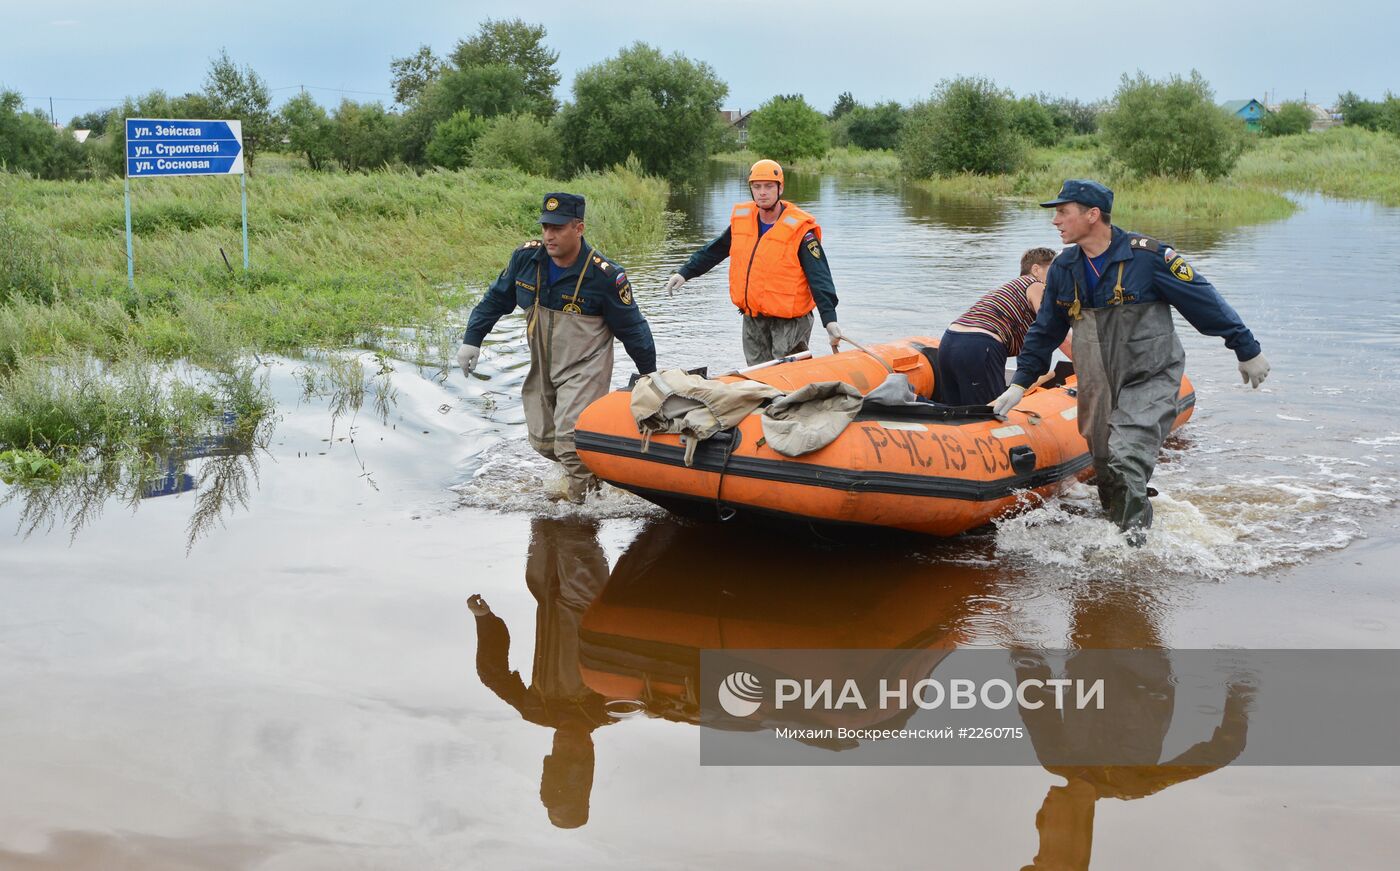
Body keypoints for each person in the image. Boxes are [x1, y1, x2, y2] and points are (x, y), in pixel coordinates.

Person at [991, 180, 1270, 541]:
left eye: (1062, 212)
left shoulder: (1149, 257)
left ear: (1093, 215)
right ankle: (1118, 533)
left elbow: (1203, 301)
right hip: (1097, 382)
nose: (1055, 221)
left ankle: (1134, 548)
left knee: (1125, 458)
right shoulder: (1064, 268)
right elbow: (1045, 330)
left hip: (1149, 376)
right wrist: (1019, 383)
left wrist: (1246, 347)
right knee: (1106, 465)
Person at [457, 193, 657, 503]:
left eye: (558, 228)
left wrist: (649, 376)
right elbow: (495, 299)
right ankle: (597, 480)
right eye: (545, 227)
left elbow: (633, 329)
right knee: (543, 440)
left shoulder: (605, 276)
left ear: (579, 228)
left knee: (570, 440)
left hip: (585, 368)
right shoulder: (525, 260)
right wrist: (472, 338)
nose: (549, 235)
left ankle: (579, 511)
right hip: (543, 364)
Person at [664, 159, 842, 365]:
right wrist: (685, 272)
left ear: (780, 188)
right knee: (757, 375)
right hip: (754, 319)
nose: (762, 192)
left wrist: (829, 319)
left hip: (790, 322)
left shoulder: (801, 230)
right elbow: (715, 251)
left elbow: (819, 276)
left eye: (768, 186)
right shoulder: (742, 221)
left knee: (785, 375)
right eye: (757, 187)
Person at [936, 247, 1069, 405]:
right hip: (979, 346)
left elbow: (1030, 348)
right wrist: (1087, 362)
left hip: (949, 341)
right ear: (1036, 269)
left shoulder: (1008, 290)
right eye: (1054, 271)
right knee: (988, 413)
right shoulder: (1037, 285)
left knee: (954, 410)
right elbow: (1053, 327)